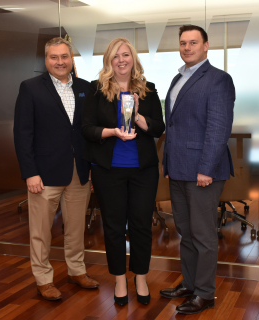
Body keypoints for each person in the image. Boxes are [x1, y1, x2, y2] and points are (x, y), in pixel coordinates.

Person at [14, 37, 99, 301]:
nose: (60, 62)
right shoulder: (30, 88)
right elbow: (22, 133)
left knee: (76, 227)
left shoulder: (86, 89)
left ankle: (76, 270)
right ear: (46, 59)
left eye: (64, 57)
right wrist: (30, 172)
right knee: (40, 231)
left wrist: (92, 169)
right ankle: (43, 279)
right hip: (44, 172)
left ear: (71, 58)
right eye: (54, 57)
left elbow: (89, 133)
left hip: (79, 170)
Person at [82, 38, 165, 306]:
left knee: (141, 225)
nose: (121, 60)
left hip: (143, 171)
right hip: (109, 171)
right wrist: (113, 132)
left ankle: (140, 277)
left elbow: (158, 128)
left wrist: (139, 117)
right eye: (115, 56)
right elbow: (87, 129)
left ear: (133, 59)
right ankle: (119, 279)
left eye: (126, 54)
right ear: (109, 60)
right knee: (114, 227)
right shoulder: (96, 91)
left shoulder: (148, 90)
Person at [159, 25, 235, 314]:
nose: (187, 47)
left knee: (203, 235)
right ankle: (189, 284)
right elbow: (175, 126)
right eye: (183, 43)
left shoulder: (218, 80)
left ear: (206, 46)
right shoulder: (179, 78)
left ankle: (205, 293)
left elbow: (218, 128)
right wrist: (168, 163)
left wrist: (206, 169)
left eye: (193, 42)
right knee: (185, 232)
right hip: (178, 169)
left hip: (203, 172)